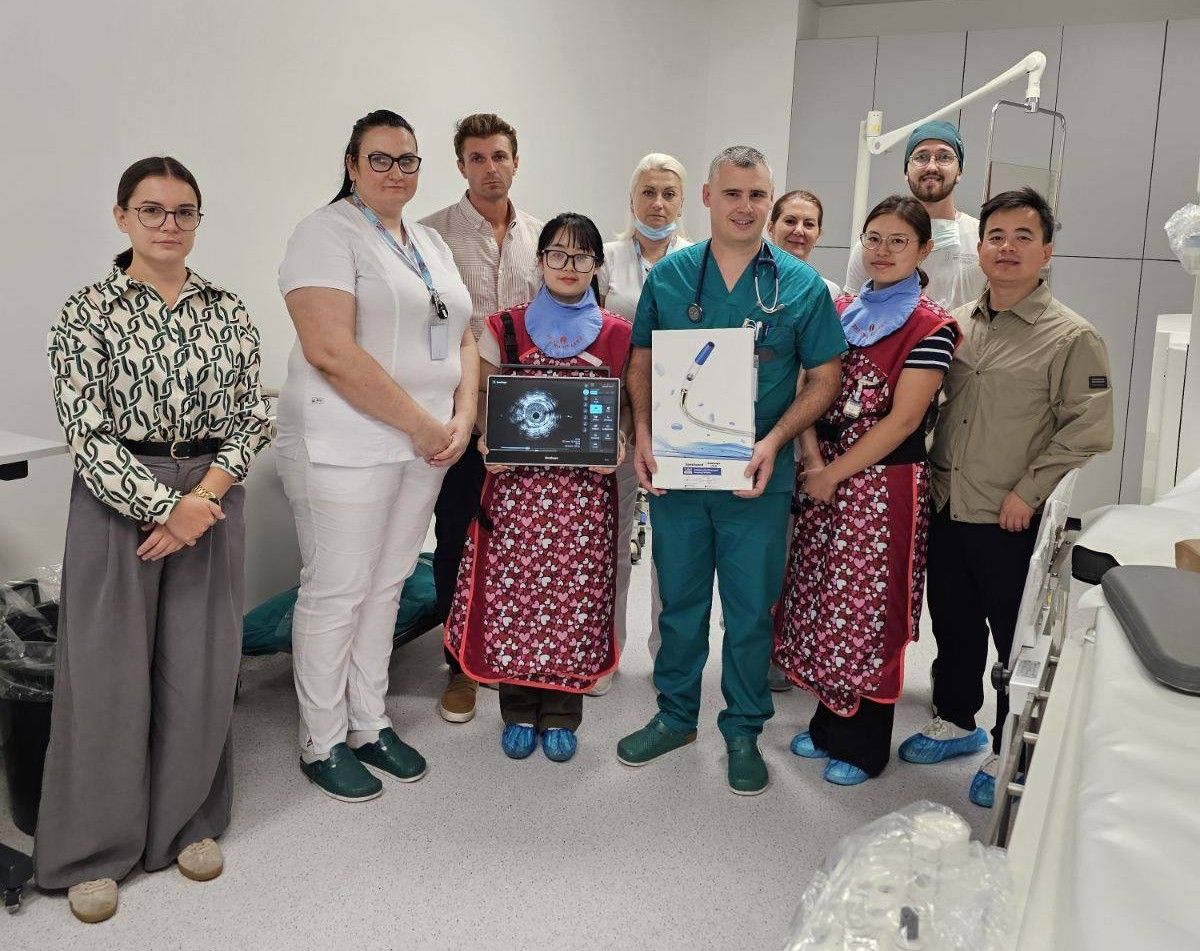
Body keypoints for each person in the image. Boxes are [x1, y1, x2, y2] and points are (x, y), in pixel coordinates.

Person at [38, 156, 271, 923]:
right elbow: (85, 430)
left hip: (211, 494)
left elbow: (252, 414)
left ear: (198, 219)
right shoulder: (87, 312)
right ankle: (93, 850)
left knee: (200, 665)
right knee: (105, 674)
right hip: (116, 499)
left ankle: (187, 821)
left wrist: (201, 500)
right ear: (122, 217)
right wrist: (162, 507)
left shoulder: (228, 310)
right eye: (152, 209)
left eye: (184, 211)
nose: (170, 224)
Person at [617, 146, 845, 796]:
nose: (745, 207)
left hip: (756, 477)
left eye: (757, 195)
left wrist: (776, 441)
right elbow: (641, 359)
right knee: (680, 603)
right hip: (680, 475)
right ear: (709, 197)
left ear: (768, 201)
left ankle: (743, 728)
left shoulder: (801, 287)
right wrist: (644, 431)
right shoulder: (670, 277)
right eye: (733, 193)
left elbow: (825, 378)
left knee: (749, 612)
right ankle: (675, 716)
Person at [275, 109, 476, 803]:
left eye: (408, 160)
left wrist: (462, 417)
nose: (396, 171)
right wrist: (423, 424)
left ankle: (369, 721)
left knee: (388, 584)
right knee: (337, 590)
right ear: (353, 164)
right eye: (381, 159)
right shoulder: (324, 234)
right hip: (346, 443)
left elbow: (464, 335)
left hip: (424, 444)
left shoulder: (428, 242)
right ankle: (321, 738)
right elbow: (330, 349)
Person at [898, 187, 1114, 807]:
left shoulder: (1071, 337)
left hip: (1010, 516)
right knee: (953, 622)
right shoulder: (955, 324)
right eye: (996, 236)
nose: (1008, 247)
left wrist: (1029, 491)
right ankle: (955, 720)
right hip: (947, 503)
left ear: (1047, 251)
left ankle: (1007, 745)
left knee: (1012, 639)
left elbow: (1087, 428)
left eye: (1024, 236)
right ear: (980, 246)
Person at [774, 196, 959, 786]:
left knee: (869, 611)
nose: (882, 251)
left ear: (923, 249)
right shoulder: (841, 309)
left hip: (882, 487)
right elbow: (809, 386)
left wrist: (832, 474)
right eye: (873, 238)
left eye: (899, 241)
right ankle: (829, 722)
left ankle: (863, 745)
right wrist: (812, 460)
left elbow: (902, 421)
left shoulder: (931, 326)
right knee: (823, 598)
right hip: (822, 477)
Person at [445, 213, 631, 762]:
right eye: (557, 254)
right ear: (540, 260)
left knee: (574, 603)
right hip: (516, 493)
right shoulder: (504, 327)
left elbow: (625, 406)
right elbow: (480, 397)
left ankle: (562, 714)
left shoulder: (618, 334)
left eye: (581, 256)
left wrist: (617, 443)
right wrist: (486, 440)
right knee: (515, 601)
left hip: (583, 498)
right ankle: (518, 710)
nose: (568, 266)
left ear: (596, 264)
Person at [421, 113, 543, 724]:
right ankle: (459, 666)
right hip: (458, 415)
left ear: (516, 161)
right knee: (456, 538)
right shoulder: (430, 237)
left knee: (518, 542)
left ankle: (510, 651)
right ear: (461, 165)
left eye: (499, 156)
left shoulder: (542, 238)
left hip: (529, 420)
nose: (490, 168)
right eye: (477, 158)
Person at [595, 152, 693, 688]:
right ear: (631, 199)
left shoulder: (699, 261)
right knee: (609, 541)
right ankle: (604, 652)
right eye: (649, 192)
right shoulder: (605, 260)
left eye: (669, 194)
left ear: (683, 202)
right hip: (614, 419)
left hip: (679, 421)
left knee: (674, 551)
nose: (658, 204)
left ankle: (669, 660)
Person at [844, 121, 985, 312]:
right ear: (906, 171)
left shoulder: (982, 240)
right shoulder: (872, 245)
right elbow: (852, 312)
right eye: (921, 157)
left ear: (959, 171)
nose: (932, 166)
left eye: (944, 157)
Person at [767, 189, 842, 300]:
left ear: (818, 235)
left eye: (809, 224)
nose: (799, 230)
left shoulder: (829, 292)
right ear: (771, 229)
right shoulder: (747, 282)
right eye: (790, 221)